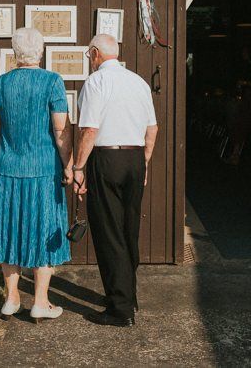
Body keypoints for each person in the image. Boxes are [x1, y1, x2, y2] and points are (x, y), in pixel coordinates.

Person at [0, 27, 72, 323]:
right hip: (44, 170)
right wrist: (68, 164)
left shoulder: (2, 84)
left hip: (9, 169)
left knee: (8, 231)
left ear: (14, 52)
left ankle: (11, 299)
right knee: (44, 229)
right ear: (41, 51)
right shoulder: (52, 82)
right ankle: (40, 301)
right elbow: (61, 129)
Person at [72, 34, 158, 327]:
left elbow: (89, 131)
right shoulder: (138, 82)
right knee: (128, 228)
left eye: (88, 54)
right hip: (134, 159)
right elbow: (152, 129)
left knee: (109, 231)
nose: (89, 59)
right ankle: (128, 296)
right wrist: (144, 162)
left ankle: (120, 309)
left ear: (95, 53)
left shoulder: (96, 82)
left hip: (106, 158)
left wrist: (79, 168)